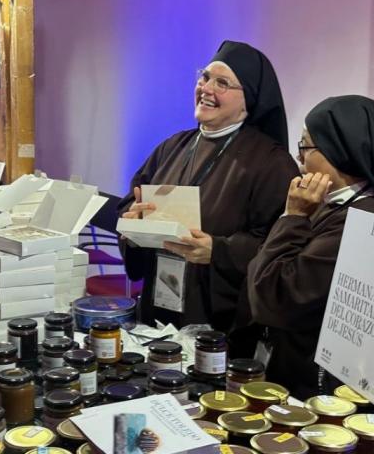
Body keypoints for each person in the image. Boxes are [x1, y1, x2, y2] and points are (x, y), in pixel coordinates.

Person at [118, 41, 298, 357]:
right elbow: (129, 201)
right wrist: (132, 223)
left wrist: (219, 251)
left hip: (219, 319)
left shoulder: (271, 162)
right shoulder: (172, 146)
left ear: (249, 101)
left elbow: (281, 247)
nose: (206, 88)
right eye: (205, 77)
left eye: (222, 83)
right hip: (158, 306)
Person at [247, 95, 374, 398]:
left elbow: (273, 297)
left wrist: (293, 216)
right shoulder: (331, 206)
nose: (299, 158)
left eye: (305, 146)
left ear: (339, 150)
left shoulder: (366, 221)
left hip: (320, 389)